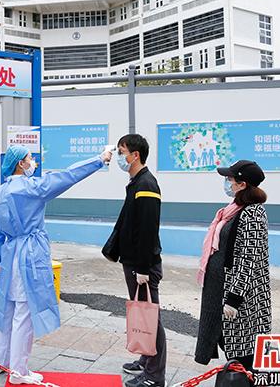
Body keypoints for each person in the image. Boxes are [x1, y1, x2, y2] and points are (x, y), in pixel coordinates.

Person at [0, 145, 112, 385]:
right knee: (24, 312)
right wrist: (99, 160)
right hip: (29, 254)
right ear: (20, 164)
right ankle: (19, 371)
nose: (33, 161)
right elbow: (67, 176)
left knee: (6, 309)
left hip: (9, 253)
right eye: (29, 158)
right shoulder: (31, 188)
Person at [194, 160, 270, 372]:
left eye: (230, 179)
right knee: (227, 342)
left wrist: (234, 299)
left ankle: (246, 381)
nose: (227, 183)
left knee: (243, 352)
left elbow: (249, 258)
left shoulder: (253, 213)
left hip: (240, 298)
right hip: (221, 289)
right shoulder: (235, 209)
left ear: (242, 184)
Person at [112, 134, 167, 387]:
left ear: (135, 155)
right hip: (134, 262)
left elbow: (147, 229)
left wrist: (143, 268)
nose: (118, 157)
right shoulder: (137, 182)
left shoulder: (146, 184)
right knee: (144, 315)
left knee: (150, 318)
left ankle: (155, 376)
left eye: (121, 152)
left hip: (141, 265)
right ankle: (146, 360)